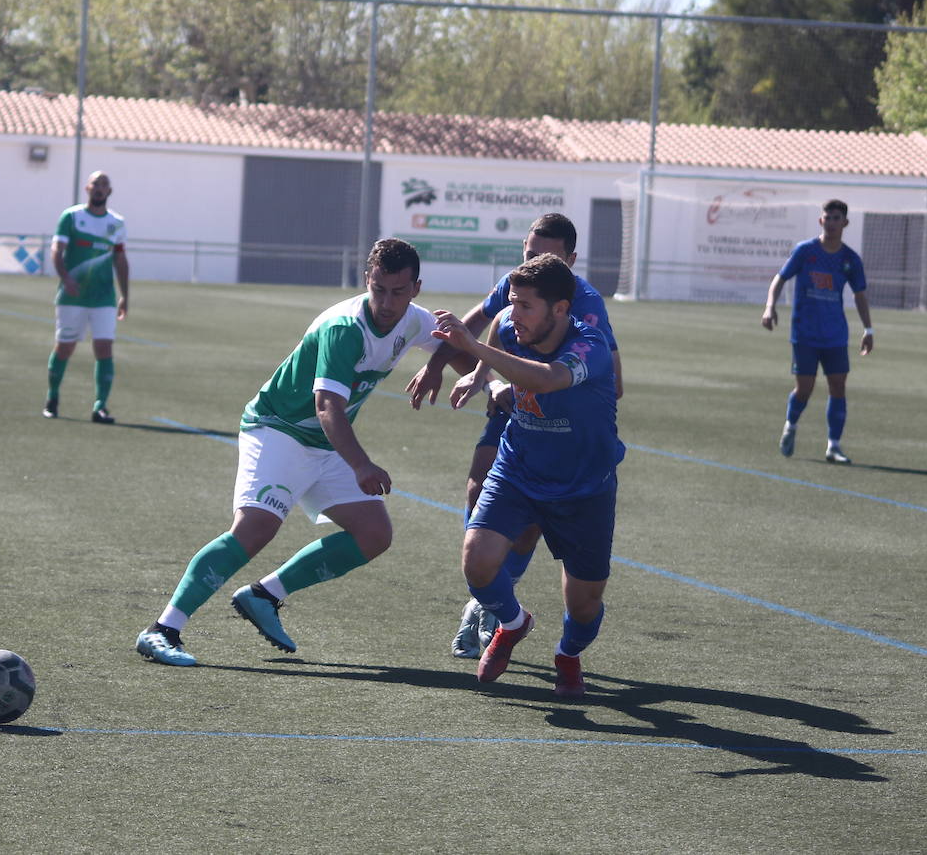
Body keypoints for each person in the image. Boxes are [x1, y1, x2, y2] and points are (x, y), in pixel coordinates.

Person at [136, 238, 455, 666]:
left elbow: (455, 343)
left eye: (398, 292)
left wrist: (471, 378)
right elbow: (327, 406)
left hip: (325, 441)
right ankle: (162, 629)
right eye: (378, 289)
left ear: (416, 288)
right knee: (256, 527)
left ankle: (265, 595)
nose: (386, 302)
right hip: (278, 429)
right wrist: (361, 465)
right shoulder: (346, 328)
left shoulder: (414, 319)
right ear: (367, 280)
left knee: (374, 534)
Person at [404, 213, 621, 659]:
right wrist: (461, 370)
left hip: (567, 417)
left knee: (536, 533)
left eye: (547, 256)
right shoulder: (518, 286)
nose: (533, 262)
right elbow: (488, 326)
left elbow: (607, 381)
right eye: (529, 253)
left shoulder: (585, 307)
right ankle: (489, 601)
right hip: (519, 409)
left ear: (569, 262)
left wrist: (487, 361)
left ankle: (523, 616)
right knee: (479, 491)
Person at [761, 199, 873, 464]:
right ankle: (791, 425)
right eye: (827, 217)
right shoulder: (806, 251)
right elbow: (780, 278)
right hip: (805, 333)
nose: (831, 223)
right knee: (805, 389)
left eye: (836, 218)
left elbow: (859, 295)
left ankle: (833, 446)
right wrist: (769, 307)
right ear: (820, 220)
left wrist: (868, 328)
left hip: (835, 334)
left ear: (845, 223)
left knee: (838, 386)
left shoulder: (850, 259)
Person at [44, 170, 129, 424]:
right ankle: (52, 397)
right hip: (73, 296)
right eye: (95, 183)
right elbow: (57, 250)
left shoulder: (117, 223)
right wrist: (66, 278)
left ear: (109, 191)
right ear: (87, 188)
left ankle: (100, 406)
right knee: (65, 347)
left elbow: (120, 259)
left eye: (104, 184)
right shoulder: (72, 217)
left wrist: (125, 295)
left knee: (104, 347)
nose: (99, 188)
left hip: (103, 296)